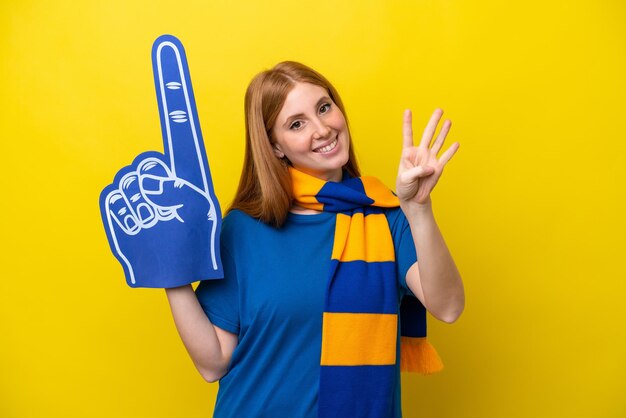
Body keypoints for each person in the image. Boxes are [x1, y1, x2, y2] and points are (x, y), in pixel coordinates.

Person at [164, 61, 465, 417]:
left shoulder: (386, 216)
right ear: (275, 146)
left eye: (324, 108)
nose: (322, 129)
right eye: (297, 124)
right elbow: (213, 363)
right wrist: (169, 271)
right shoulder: (243, 229)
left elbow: (447, 307)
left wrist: (418, 209)